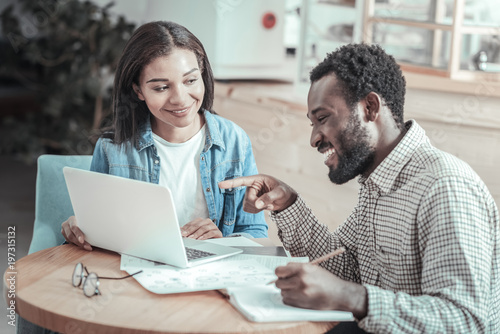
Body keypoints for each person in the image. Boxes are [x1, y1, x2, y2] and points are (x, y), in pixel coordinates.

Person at [219, 43, 499, 333]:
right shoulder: (377, 180)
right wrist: (288, 203)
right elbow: (346, 268)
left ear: (370, 107)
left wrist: (351, 296)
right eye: (312, 123)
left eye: (323, 118)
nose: (314, 139)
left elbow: (466, 321)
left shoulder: (446, 187)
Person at [61, 20, 268, 249]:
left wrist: (222, 243)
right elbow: (97, 233)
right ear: (138, 90)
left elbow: (254, 232)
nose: (180, 98)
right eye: (161, 87)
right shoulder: (112, 149)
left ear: (202, 74)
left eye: (190, 80)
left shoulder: (234, 141)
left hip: (210, 274)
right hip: (134, 274)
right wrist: (80, 229)